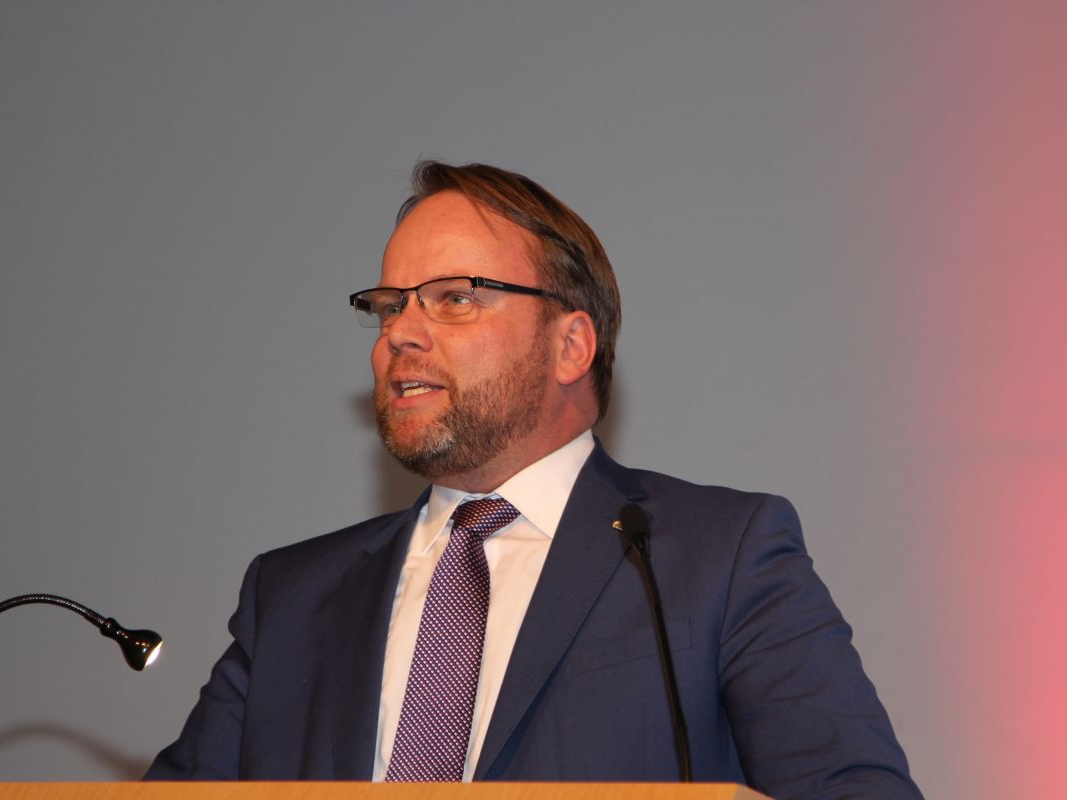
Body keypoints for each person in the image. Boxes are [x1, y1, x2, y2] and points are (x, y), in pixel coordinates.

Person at [145, 161, 922, 799]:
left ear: (570, 346)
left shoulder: (717, 557)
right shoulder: (292, 596)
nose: (400, 334)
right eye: (388, 308)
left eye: (454, 298)